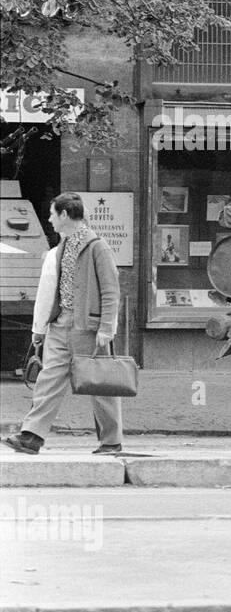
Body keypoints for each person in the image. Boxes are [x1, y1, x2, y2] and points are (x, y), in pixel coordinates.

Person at [4, 193, 124, 456]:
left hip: (88, 327)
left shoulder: (97, 247)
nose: (49, 219)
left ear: (65, 215)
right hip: (60, 325)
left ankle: (112, 441)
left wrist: (106, 328)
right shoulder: (61, 248)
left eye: (51, 214)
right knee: (48, 379)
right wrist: (41, 328)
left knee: (100, 384)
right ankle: (31, 437)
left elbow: (111, 291)